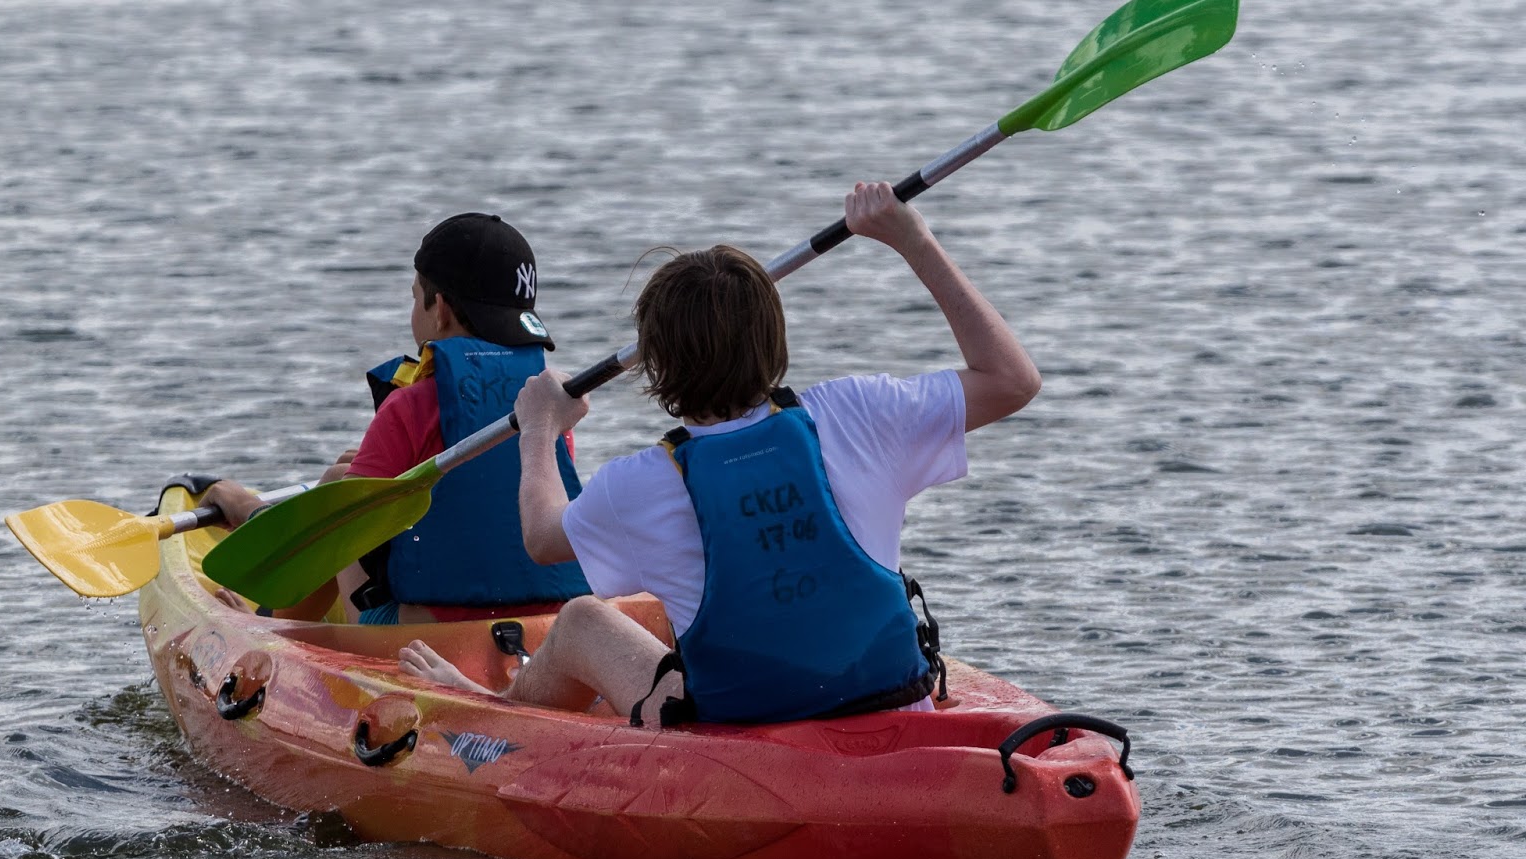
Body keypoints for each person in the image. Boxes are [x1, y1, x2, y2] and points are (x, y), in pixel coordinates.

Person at [399, 183, 1041, 724]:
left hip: (740, 730)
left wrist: (539, 427)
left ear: (657, 367)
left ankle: (491, 711)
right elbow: (1013, 379)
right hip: (885, 702)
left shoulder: (638, 485)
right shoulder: (860, 413)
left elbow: (541, 537)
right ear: (774, 338)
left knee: (585, 620)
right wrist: (912, 240)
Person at [203, 213, 591, 623]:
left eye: (413, 296)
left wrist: (247, 507)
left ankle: (267, 627)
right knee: (350, 475)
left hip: (423, 634)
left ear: (439, 309)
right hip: (540, 624)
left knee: (339, 493)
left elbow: (326, 536)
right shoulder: (549, 409)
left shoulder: (410, 406)